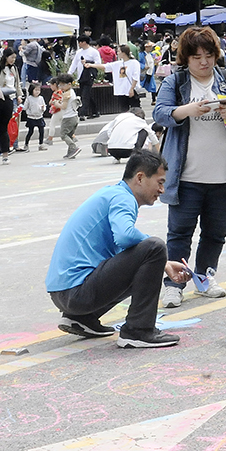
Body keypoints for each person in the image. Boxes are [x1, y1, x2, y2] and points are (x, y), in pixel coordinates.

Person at [45, 149, 194, 349]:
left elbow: (126, 258)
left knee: (150, 255)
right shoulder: (123, 198)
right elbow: (125, 236)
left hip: (64, 294)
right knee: (155, 247)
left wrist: (163, 265)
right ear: (140, 178)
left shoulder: (112, 194)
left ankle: (82, 319)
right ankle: (138, 331)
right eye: (159, 182)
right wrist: (159, 255)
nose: (162, 190)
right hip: (76, 293)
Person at [153, 26, 226, 308]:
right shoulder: (176, 83)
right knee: (180, 233)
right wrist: (189, 110)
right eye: (196, 56)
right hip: (186, 176)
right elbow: (160, 113)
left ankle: (203, 277)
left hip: (224, 176)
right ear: (185, 58)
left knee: (215, 233)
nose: (203, 62)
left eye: (208, 55)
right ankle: (174, 284)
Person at [92, 42, 142, 111]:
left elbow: (135, 77)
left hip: (131, 90)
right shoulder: (118, 64)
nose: (117, 53)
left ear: (123, 53)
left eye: (118, 51)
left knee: (136, 110)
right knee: (124, 111)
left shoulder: (134, 63)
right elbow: (105, 66)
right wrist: (91, 65)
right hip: (121, 91)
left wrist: (132, 89)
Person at [51, 73, 82, 160]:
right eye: (59, 85)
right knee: (69, 134)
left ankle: (73, 147)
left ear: (69, 84)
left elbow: (63, 107)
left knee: (63, 134)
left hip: (68, 117)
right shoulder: (71, 92)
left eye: (63, 85)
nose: (61, 87)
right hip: (74, 117)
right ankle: (70, 152)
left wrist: (56, 104)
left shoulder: (66, 94)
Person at [17, 81, 48, 152]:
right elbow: (25, 107)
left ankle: (41, 144)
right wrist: (20, 107)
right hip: (31, 117)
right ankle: (26, 144)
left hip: (39, 117)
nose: (37, 92)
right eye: (36, 90)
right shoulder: (29, 98)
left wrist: (43, 108)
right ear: (31, 90)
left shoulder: (41, 98)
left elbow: (44, 106)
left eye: (38, 90)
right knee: (30, 131)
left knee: (41, 131)